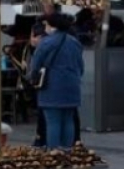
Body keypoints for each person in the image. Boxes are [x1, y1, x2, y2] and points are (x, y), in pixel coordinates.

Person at [29, 13, 84, 149]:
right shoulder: (75, 42)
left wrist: (32, 78)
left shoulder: (46, 42)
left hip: (51, 86)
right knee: (68, 120)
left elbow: (35, 65)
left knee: (53, 121)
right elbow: (81, 67)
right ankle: (67, 151)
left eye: (46, 25)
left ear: (51, 26)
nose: (45, 28)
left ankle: (54, 153)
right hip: (72, 86)